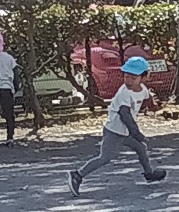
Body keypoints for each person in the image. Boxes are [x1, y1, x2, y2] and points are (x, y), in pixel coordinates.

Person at [67, 57, 166, 197]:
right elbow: (125, 115)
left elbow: (146, 99)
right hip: (114, 131)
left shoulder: (143, 89)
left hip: (125, 131)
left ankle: (149, 173)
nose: (128, 81)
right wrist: (136, 133)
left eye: (133, 78)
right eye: (126, 77)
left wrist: (154, 106)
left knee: (141, 148)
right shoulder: (123, 93)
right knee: (105, 158)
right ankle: (78, 174)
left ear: (144, 77)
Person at [0, 32, 20, 147]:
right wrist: (15, 88)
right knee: (9, 115)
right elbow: (16, 75)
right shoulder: (9, 58)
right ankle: (10, 138)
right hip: (6, 89)